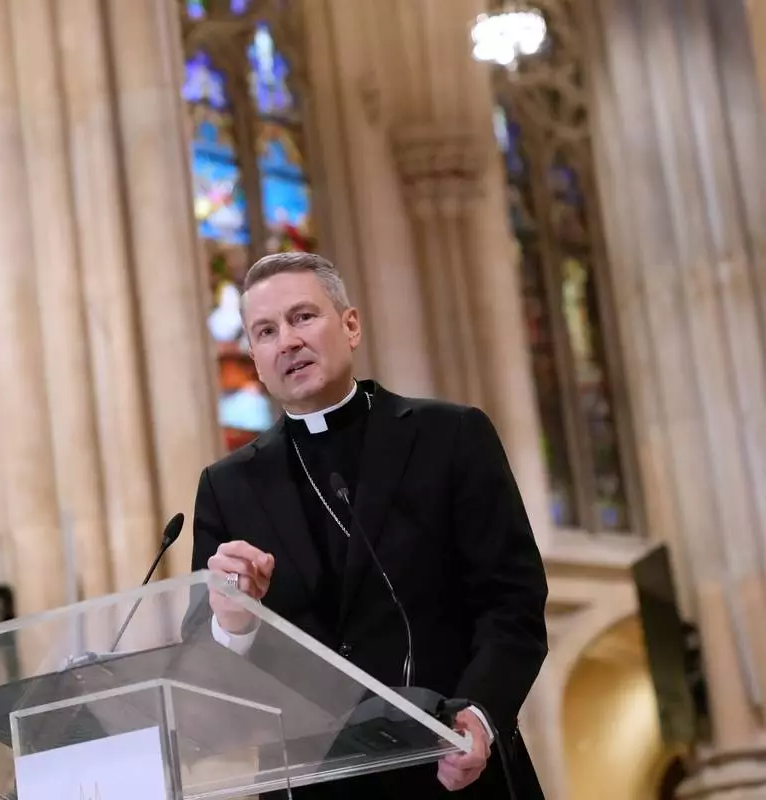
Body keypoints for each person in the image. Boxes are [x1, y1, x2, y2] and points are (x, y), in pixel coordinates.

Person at [190, 252, 548, 798]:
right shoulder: (228, 487)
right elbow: (204, 671)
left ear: (350, 326)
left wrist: (478, 716)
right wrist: (233, 626)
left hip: (453, 766)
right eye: (266, 331)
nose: (287, 341)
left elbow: (512, 603)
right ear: (256, 359)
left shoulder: (449, 437)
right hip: (314, 785)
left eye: (303, 317)